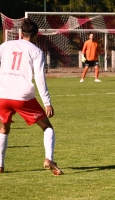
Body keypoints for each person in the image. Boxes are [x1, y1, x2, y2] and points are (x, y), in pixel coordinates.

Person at [0, 18, 63, 175]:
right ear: (37, 35)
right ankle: (49, 158)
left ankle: (0, 165)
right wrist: (47, 103)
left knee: (3, 128)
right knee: (47, 127)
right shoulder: (36, 51)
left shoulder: (5, 46)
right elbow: (40, 78)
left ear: (21, 33)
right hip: (23, 97)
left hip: (2, 95)